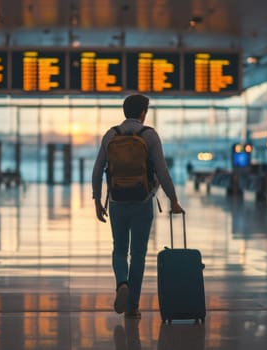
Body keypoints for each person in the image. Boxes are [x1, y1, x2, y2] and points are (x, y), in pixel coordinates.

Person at [92, 94, 184, 319]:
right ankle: (132, 306)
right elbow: (162, 172)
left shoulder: (110, 135)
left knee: (119, 249)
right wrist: (173, 200)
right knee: (139, 254)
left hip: (116, 201)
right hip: (142, 201)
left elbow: (97, 171)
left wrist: (97, 200)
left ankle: (121, 283)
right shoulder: (150, 135)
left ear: (125, 112)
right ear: (143, 112)